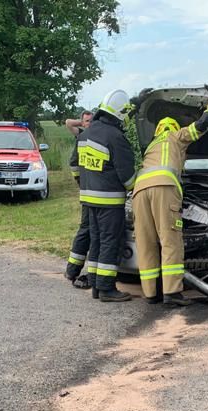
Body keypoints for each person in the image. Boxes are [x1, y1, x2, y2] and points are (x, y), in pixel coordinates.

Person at [132, 77, 208, 306]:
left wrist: (135, 104)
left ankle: (151, 293)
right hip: (164, 188)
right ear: (173, 127)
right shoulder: (177, 136)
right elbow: (204, 122)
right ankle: (172, 293)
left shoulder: (151, 146)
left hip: (139, 192)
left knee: (146, 242)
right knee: (170, 239)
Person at [70, 90, 136, 302]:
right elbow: (128, 178)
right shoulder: (116, 137)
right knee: (110, 242)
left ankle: (96, 285)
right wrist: (137, 187)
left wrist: (83, 185)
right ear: (119, 114)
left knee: (97, 242)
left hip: (89, 200)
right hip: (109, 201)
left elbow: (76, 166)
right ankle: (107, 288)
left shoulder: (86, 134)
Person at [64, 110, 94, 289]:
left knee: (86, 229)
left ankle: (72, 269)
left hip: (89, 190)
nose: (89, 123)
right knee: (88, 229)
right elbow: (68, 122)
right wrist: (80, 183)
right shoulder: (82, 135)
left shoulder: (89, 137)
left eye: (92, 120)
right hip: (91, 190)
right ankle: (74, 269)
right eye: (87, 120)